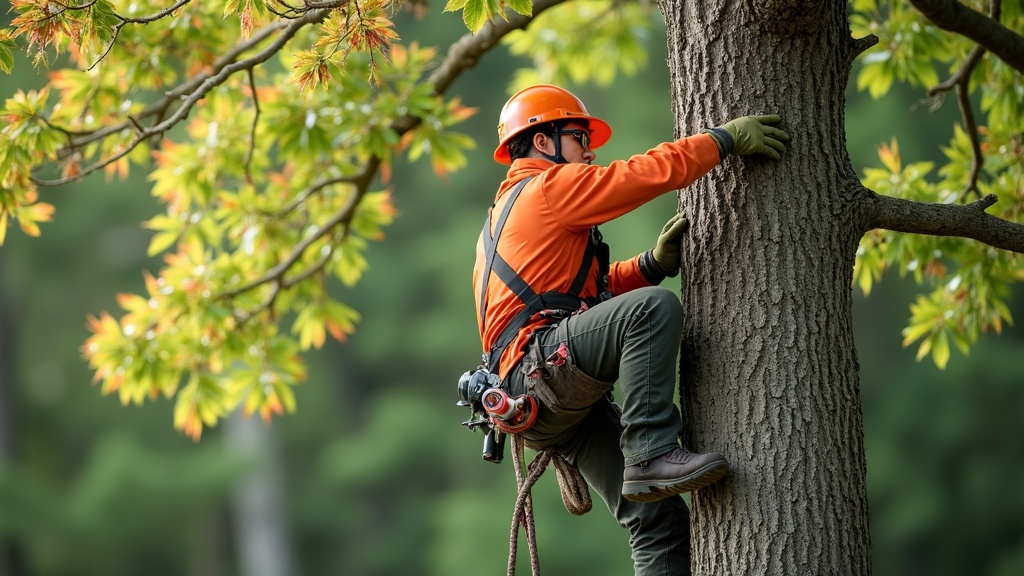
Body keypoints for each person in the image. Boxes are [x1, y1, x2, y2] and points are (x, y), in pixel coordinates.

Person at [471, 84, 789, 575]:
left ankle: (649, 463)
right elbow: (640, 174)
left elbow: (574, 296)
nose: (589, 151)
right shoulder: (550, 187)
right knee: (650, 310)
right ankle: (651, 451)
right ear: (542, 142)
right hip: (542, 370)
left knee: (657, 520)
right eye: (578, 138)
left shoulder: (502, 218)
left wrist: (649, 265)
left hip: (535, 398)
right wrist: (722, 139)